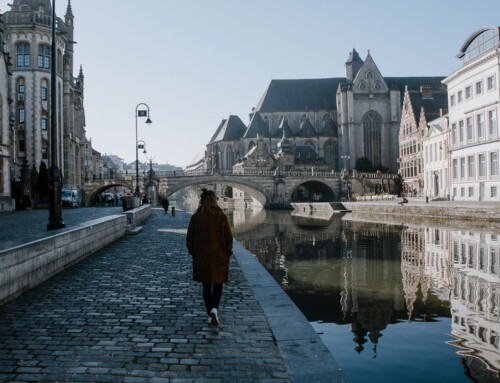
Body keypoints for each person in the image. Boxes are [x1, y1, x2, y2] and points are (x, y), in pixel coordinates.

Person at [186, 188, 233, 326]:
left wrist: (194, 252)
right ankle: (214, 309)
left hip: (202, 257)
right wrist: (228, 252)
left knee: (206, 287)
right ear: (214, 201)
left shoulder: (196, 217)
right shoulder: (221, 217)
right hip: (219, 256)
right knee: (218, 285)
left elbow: (189, 238)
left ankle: (210, 312)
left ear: (201, 201)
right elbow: (229, 237)